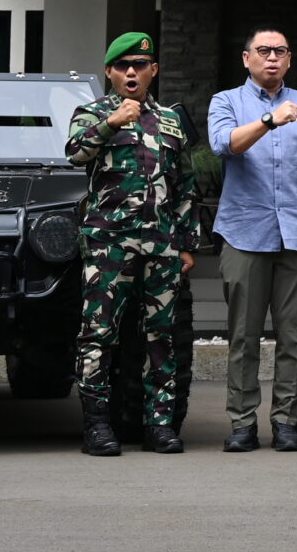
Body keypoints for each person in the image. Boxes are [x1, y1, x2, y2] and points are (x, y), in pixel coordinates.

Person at [62, 31, 200, 456]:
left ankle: (160, 426)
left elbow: (185, 185)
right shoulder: (91, 113)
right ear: (109, 72)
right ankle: (98, 428)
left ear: (152, 71)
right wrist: (111, 123)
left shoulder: (171, 122)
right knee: (98, 336)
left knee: (162, 339)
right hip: (109, 246)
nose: (131, 72)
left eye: (139, 65)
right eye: (122, 66)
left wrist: (187, 243)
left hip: (160, 246)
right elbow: (74, 153)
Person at [206, 27, 297, 453]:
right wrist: (268, 120)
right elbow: (224, 145)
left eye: (280, 51)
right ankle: (242, 422)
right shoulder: (227, 102)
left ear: (290, 59)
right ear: (247, 58)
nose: (272, 58)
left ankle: (286, 421)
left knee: (293, 335)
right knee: (243, 335)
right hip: (244, 233)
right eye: (263, 51)